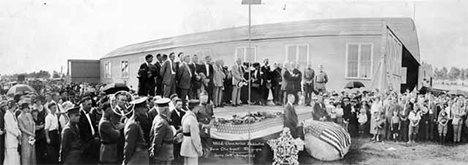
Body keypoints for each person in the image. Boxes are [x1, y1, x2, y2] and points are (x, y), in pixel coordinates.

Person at [124, 97, 150, 165]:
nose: (146, 110)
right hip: (136, 156)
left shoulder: (137, 121)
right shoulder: (133, 124)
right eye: (144, 108)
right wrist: (126, 160)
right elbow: (129, 145)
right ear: (138, 109)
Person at [149, 98, 174, 165]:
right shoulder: (162, 122)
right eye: (168, 109)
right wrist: (155, 153)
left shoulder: (158, 118)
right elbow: (157, 140)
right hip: (163, 154)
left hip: (164, 153)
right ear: (166, 110)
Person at [79, 97, 100, 165]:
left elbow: (94, 128)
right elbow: (82, 132)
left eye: (91, 104)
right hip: (86, 146)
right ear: (83, 104)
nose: (90, 106)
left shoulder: (91, 115)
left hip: (94, 143)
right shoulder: (80, 116)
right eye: (88, 104)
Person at [180, 100, 203, 165]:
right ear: (195, 107)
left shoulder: (185, 116)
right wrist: (199, 149)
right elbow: (195, 137)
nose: (199, 108)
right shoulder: (192, 119)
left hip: (185, 145)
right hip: (191, 147)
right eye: (198, 107)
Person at [193, 92, 214, 157]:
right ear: (200, 98)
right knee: (201, 143)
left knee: (208, 143)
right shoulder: (197, 108)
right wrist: (203, 125)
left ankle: (207, 156)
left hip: (208, 129)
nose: (205, 100)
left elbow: (212, 116)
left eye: (206, 98)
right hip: (200, 129)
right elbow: (194, 120)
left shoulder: (209, 106)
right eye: (203, 98)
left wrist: (211, 123)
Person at [4, 100, 21, 165]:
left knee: (16, 156)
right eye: (15, 105)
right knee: (10, 156)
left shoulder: (13, 114)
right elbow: (9, 128)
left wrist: (19, 133)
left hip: (15, 139)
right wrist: (17, 134)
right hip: (10, 138)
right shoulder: (7, 115)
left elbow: (16, 126)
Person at [170, 99, 186, 165]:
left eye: (181, 105)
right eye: (178, 105)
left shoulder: (183, 113)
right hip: (175, 135)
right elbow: (171, 123)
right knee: (175, 151)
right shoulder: (171, 113)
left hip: (182, 134)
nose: (180, 106)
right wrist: (177, 128)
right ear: (175, 105)